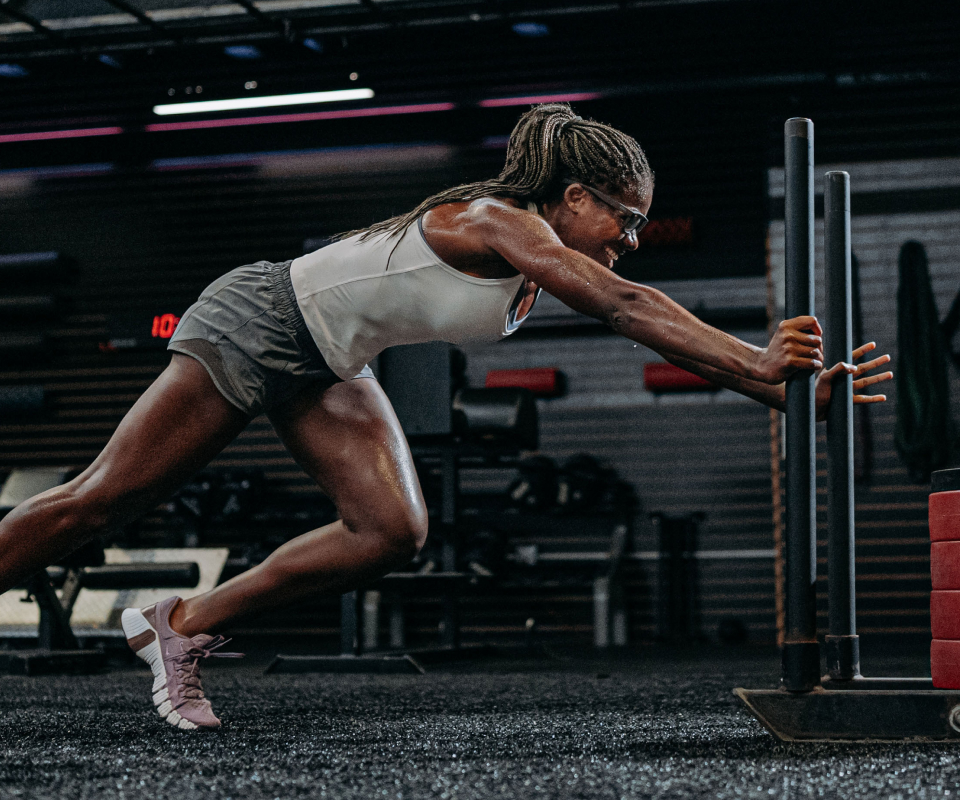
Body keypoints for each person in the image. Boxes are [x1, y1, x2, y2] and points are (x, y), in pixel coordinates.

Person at [0, 104, 892, 730]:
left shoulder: (538, 262)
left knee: (389, 529)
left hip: (330, 361)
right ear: (574, 196)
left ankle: (180, 626)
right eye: (624, 218)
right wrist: (757, 360)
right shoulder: (497, 220)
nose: (628, 236)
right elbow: (627, 305)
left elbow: (639, 321)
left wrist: (785, 393)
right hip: (261, 318)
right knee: (98, 502)